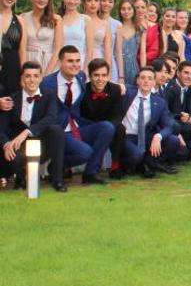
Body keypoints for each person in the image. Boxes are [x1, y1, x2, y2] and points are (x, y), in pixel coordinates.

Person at [40, 45, 114, 185]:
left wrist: (121, 86)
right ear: (60, 62)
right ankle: (56, 166)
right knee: (85, 152)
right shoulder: (47, 83)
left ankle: (90, 173)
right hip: (59, 131)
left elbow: (99, 84)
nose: (75, 64)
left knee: (107, 127)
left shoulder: (81, 76)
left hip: (77, 126)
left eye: (77, 60)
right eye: (70, 61)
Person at [0, 61, 65, 191]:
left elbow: (51, 117)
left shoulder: (49, 95)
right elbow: (1, 128)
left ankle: (57, 180)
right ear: (22, 78)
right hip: (19, 146)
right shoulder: (12, 99)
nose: (32, 80)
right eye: (28, 76)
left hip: (41, 143)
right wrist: (6, 144)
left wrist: (27, 132)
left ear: (41, 78)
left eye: (36, 76)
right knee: (12, 158)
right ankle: (19, 176)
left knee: (56, 130)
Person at [120, 67, 180, 178]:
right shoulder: (127, 94)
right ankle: (130, 165)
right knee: (136, 155)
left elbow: (168, 125)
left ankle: (149, 163)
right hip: (127, 136)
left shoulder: (160, 102)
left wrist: (158, 136)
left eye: (149, 78)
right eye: (143, 78)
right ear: (137, 80)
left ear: (153, 82)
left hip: (145, 137)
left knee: (174, 140)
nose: (146, 81)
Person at [80, 58, 126, 178]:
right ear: (90, 76)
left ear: (108, 76)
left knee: (120, 128)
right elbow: (79, 115)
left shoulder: (115, 89)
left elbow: (118, 114)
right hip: (88, 126)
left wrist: (109, 127)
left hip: (109, 124)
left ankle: (115, 165)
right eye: (96, 75)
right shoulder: (83, 90)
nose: (100, 79)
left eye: (104, 75)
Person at [22, 0, 62, 75]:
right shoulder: (23, 17)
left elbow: (58, 48)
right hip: (28, 61)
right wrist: (24, 70)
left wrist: (48, 72)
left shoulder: (56, 19)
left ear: (48, 0)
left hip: (48, 63)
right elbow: (22, 48)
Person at [0, 0, 26, 96]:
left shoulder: (20, 21)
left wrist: (24, 74)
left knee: (13, 105)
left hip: (14, 69)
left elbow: (22, 50)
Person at [59, 0, 92, 72]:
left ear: (80, 1)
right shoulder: (58, 19)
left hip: (79, 64)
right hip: (60, 65)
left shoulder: (85, 19)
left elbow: (90, 50)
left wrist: (85, 71)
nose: (72, 1)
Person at [115, 0, 142, 86]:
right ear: (119, 11)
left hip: (134, 67)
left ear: (133, 10)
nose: (126, 11)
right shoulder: (117, 26)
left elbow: (142, 52)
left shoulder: (139, 28)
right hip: (118, 65)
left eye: (129, 9)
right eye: (123, 9)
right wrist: (121, 76)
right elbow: (118, 51)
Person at [83, 0, 112, 71]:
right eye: (89, 0)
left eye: (96, 0)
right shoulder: (79, 21)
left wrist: (108, 72)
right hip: (79, 59)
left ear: (99, 3)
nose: (93, 3)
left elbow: (108, 53)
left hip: (97, 62)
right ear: (84, 3)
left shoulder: (105, 25)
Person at [99, 0, 121, 81]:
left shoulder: (117, 25)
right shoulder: (89, 21)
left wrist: (121, 76)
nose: (106, 3)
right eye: (104, 0)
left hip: (110, 64)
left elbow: (118, 52)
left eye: (110, 1)